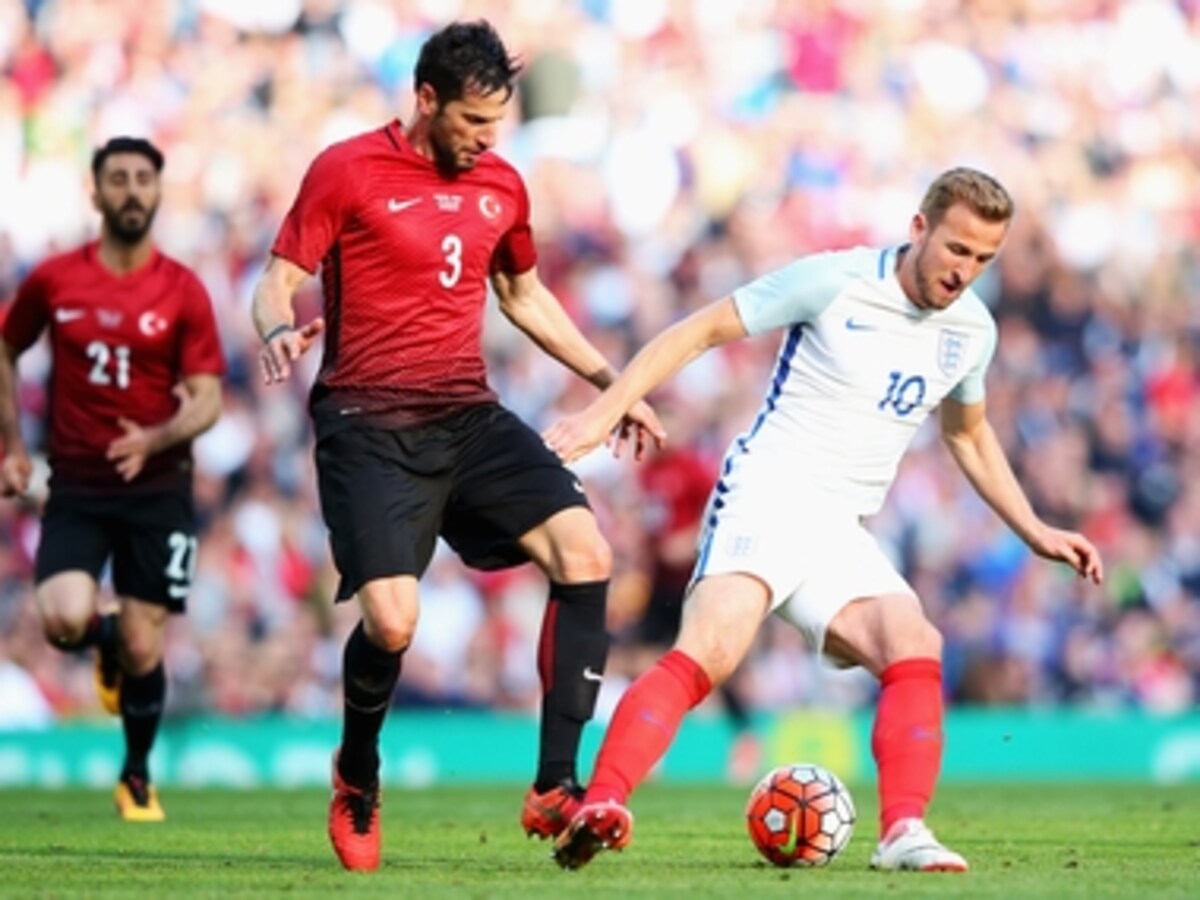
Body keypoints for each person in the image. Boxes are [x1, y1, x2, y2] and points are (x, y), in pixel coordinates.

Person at [543, 167, 1104, 872]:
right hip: (768, 493)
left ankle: (903, 832)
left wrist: (1035, 529)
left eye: (984, 259)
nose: (966, 271)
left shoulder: (971, 330)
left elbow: (967, 434)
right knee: (711, 651)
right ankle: (604, 800)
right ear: (920, 228)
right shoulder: (834, 282)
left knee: (913, 641)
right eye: (957, 249)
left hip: (839, 526)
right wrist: (601, 413)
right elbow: (701, 330)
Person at [250, 19, 663, 872]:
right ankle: (357, 773)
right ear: (426, 99)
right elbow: (276, 280)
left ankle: (556, 786)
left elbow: (524, 295)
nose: (486, 141)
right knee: (394, 625)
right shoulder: (347, 169)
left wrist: (615, 386)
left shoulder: (502, 184)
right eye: (473, 123)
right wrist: (277, 331)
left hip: (467, 415)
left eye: (497, 125)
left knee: (586, 554)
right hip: (367, 426)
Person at [0, 136, 225, 821]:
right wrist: (11, 443)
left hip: (159, 489)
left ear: (158, 194)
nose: (131, 190)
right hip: (79, 485)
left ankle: (135, 775)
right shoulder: (55, 279)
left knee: (144, 640)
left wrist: (157, 437)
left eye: (142, 179)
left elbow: (208, 397)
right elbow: (7, 346)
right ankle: (102, 644)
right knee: (65, 620)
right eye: (118, 179)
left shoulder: (182, 290)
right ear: (96, 194)